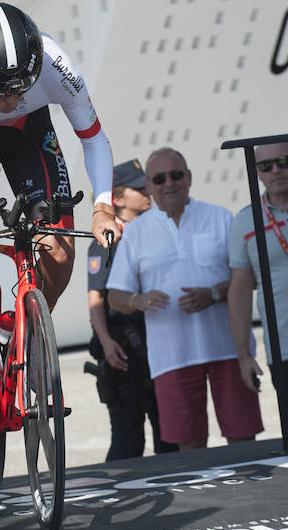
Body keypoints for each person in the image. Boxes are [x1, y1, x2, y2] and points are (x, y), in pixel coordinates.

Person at [0, 1, 119, 469]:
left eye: (20, 88)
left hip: (29, 138)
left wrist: (103, 205)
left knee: (58, 246)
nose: (9, 99)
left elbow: (93, 137)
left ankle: (27, 333)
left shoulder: (54, 63)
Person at [107, 147, 263, 451]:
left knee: (243, 441)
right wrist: (137, 300)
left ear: (189, 178)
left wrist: (215, 293)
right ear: (149, 186)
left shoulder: (220, 218)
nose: (169, 183)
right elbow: (114, 296)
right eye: (159, 178)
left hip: (230, 349)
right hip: (172, 357)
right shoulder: (136, 232)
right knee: (189, 448)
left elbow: (251, 278)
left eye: (176, 175)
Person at [87, 159, 178, 461]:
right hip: (124, 351)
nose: (148, 192)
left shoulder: (152, 231)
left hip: (156, 345)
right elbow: (96, 298)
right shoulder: (108, 240)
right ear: (119, 199)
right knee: (128, 442)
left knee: (170, 434)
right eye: (140, 188)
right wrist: (106, 342)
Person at [228, 141, 288, 394]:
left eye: (283, 161)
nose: (276, 170)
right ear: (257, 173)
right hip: (284, 348)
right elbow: (240, 291)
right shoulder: (246, 220)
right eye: (266, 165)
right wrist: (244, 355)